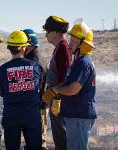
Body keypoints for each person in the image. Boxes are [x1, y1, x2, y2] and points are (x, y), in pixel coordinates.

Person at [43, 18, 97, 150]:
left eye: (73, 41)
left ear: (82, 44)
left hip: (79, 115)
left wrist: (55, 91)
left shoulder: (83, 62)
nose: (70, 43)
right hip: (76, 113)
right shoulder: (81, 61)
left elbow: (74, 88)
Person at [0, 30, 42, 150]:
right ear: (24, 47)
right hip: (31, 115)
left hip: (11, 115)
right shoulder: (34, 66)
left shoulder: (2, 69)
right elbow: (38, 87)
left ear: (9, 48)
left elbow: (1, 92)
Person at [42, 16, 71, 150]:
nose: (46, 34)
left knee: (61, 137)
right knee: (59, 136)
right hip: (56, 99)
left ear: (54, 33)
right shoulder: (59, 48)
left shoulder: (63, 48)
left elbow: (65, 78)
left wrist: (56, 97)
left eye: (47, 32)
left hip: (59, 101)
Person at [22, 28, 48, 150]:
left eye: (23, 45)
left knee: (38, 141)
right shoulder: (35, 57)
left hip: (37, 106)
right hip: (38, 105)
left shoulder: (33, 62)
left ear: (29, 44)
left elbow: (32, 87)